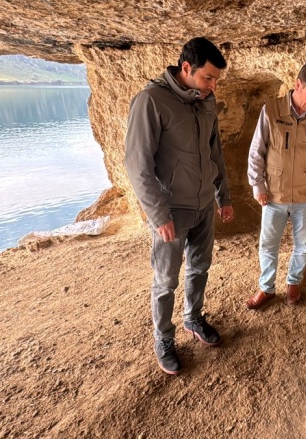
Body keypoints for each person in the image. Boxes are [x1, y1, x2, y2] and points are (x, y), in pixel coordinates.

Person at [124, 37, 234, 375]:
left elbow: (214, 152)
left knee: (200, 268)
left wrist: (222, 196)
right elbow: (136, 164)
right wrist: (158, 215)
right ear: (186, 68)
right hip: (171, 211)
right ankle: (163, 338)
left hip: (202, 205)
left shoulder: (206, 100)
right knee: (165, 280)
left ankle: (193, 318)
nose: (213, 86)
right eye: (208, 78)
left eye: (216, 79)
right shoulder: (151, 100)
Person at [245, 61, 306, 310]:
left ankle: (294, 282)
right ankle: (266, 288)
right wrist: (258, 185)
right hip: (274, 195)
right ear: (298, 84)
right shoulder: (271, 111)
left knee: (304, 244)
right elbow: (257, 151)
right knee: (268, 245)